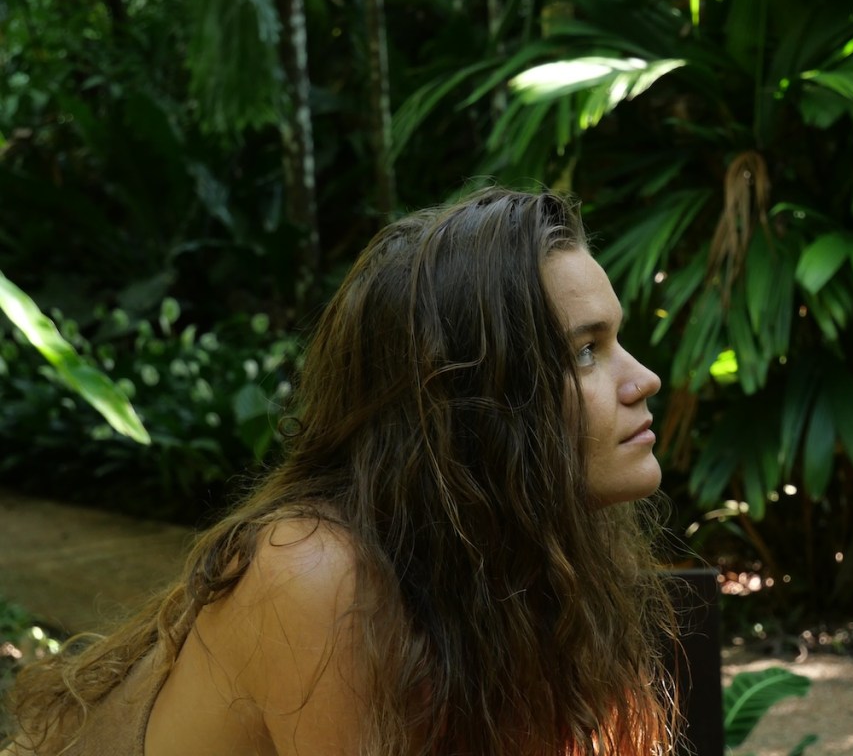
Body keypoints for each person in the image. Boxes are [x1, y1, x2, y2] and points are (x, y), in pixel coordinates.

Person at [2, 188, 680, 755]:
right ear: (468, 401)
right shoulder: (315, 569)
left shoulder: (525, 559)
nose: (643, 379)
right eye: (585, 351)